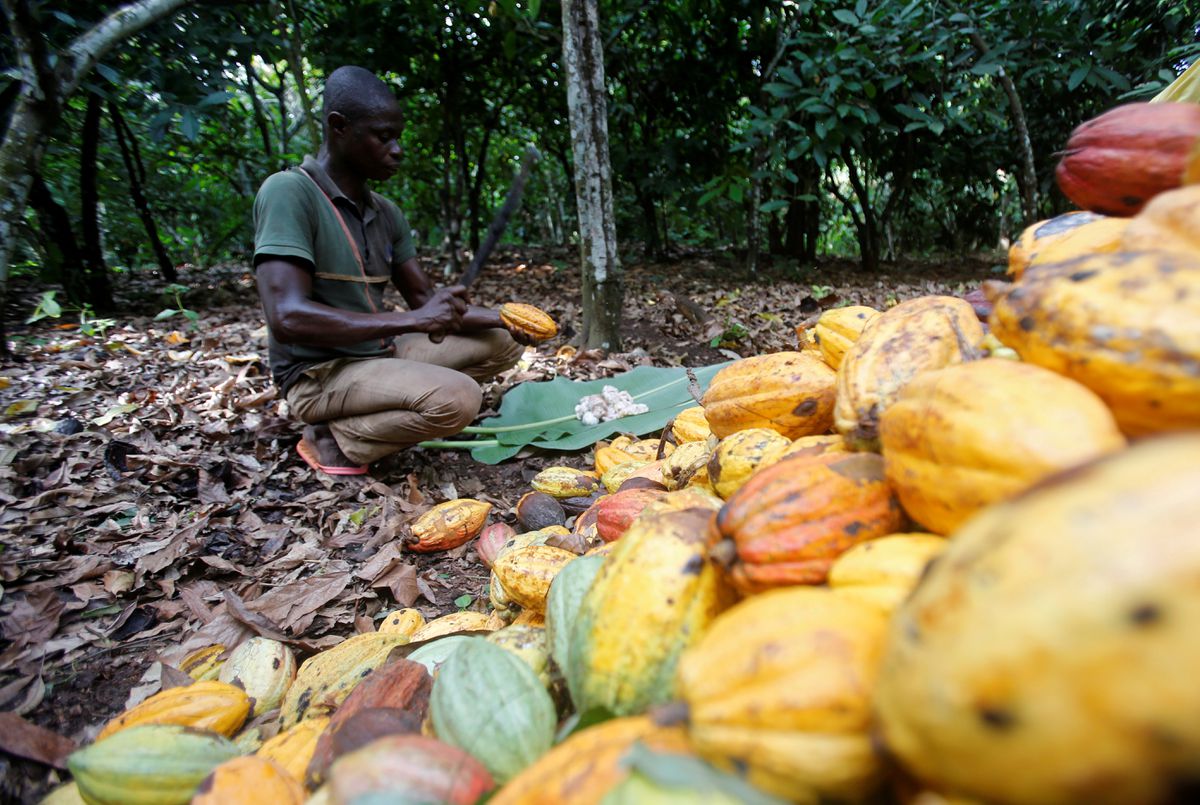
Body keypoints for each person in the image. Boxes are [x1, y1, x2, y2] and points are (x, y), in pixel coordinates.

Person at [252, 66, 525, 476]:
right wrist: (412, 320)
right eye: (383, 137)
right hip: (318, 373)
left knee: (504, 341)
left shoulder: (385, 213)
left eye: (398, 137)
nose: (397, 149)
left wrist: (513, 318)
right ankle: (335, 439)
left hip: (376, 352)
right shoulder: (289, 192)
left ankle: (393, 404)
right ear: (339, 127)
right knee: (459, 400)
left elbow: (426, 305)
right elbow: (286, 316)